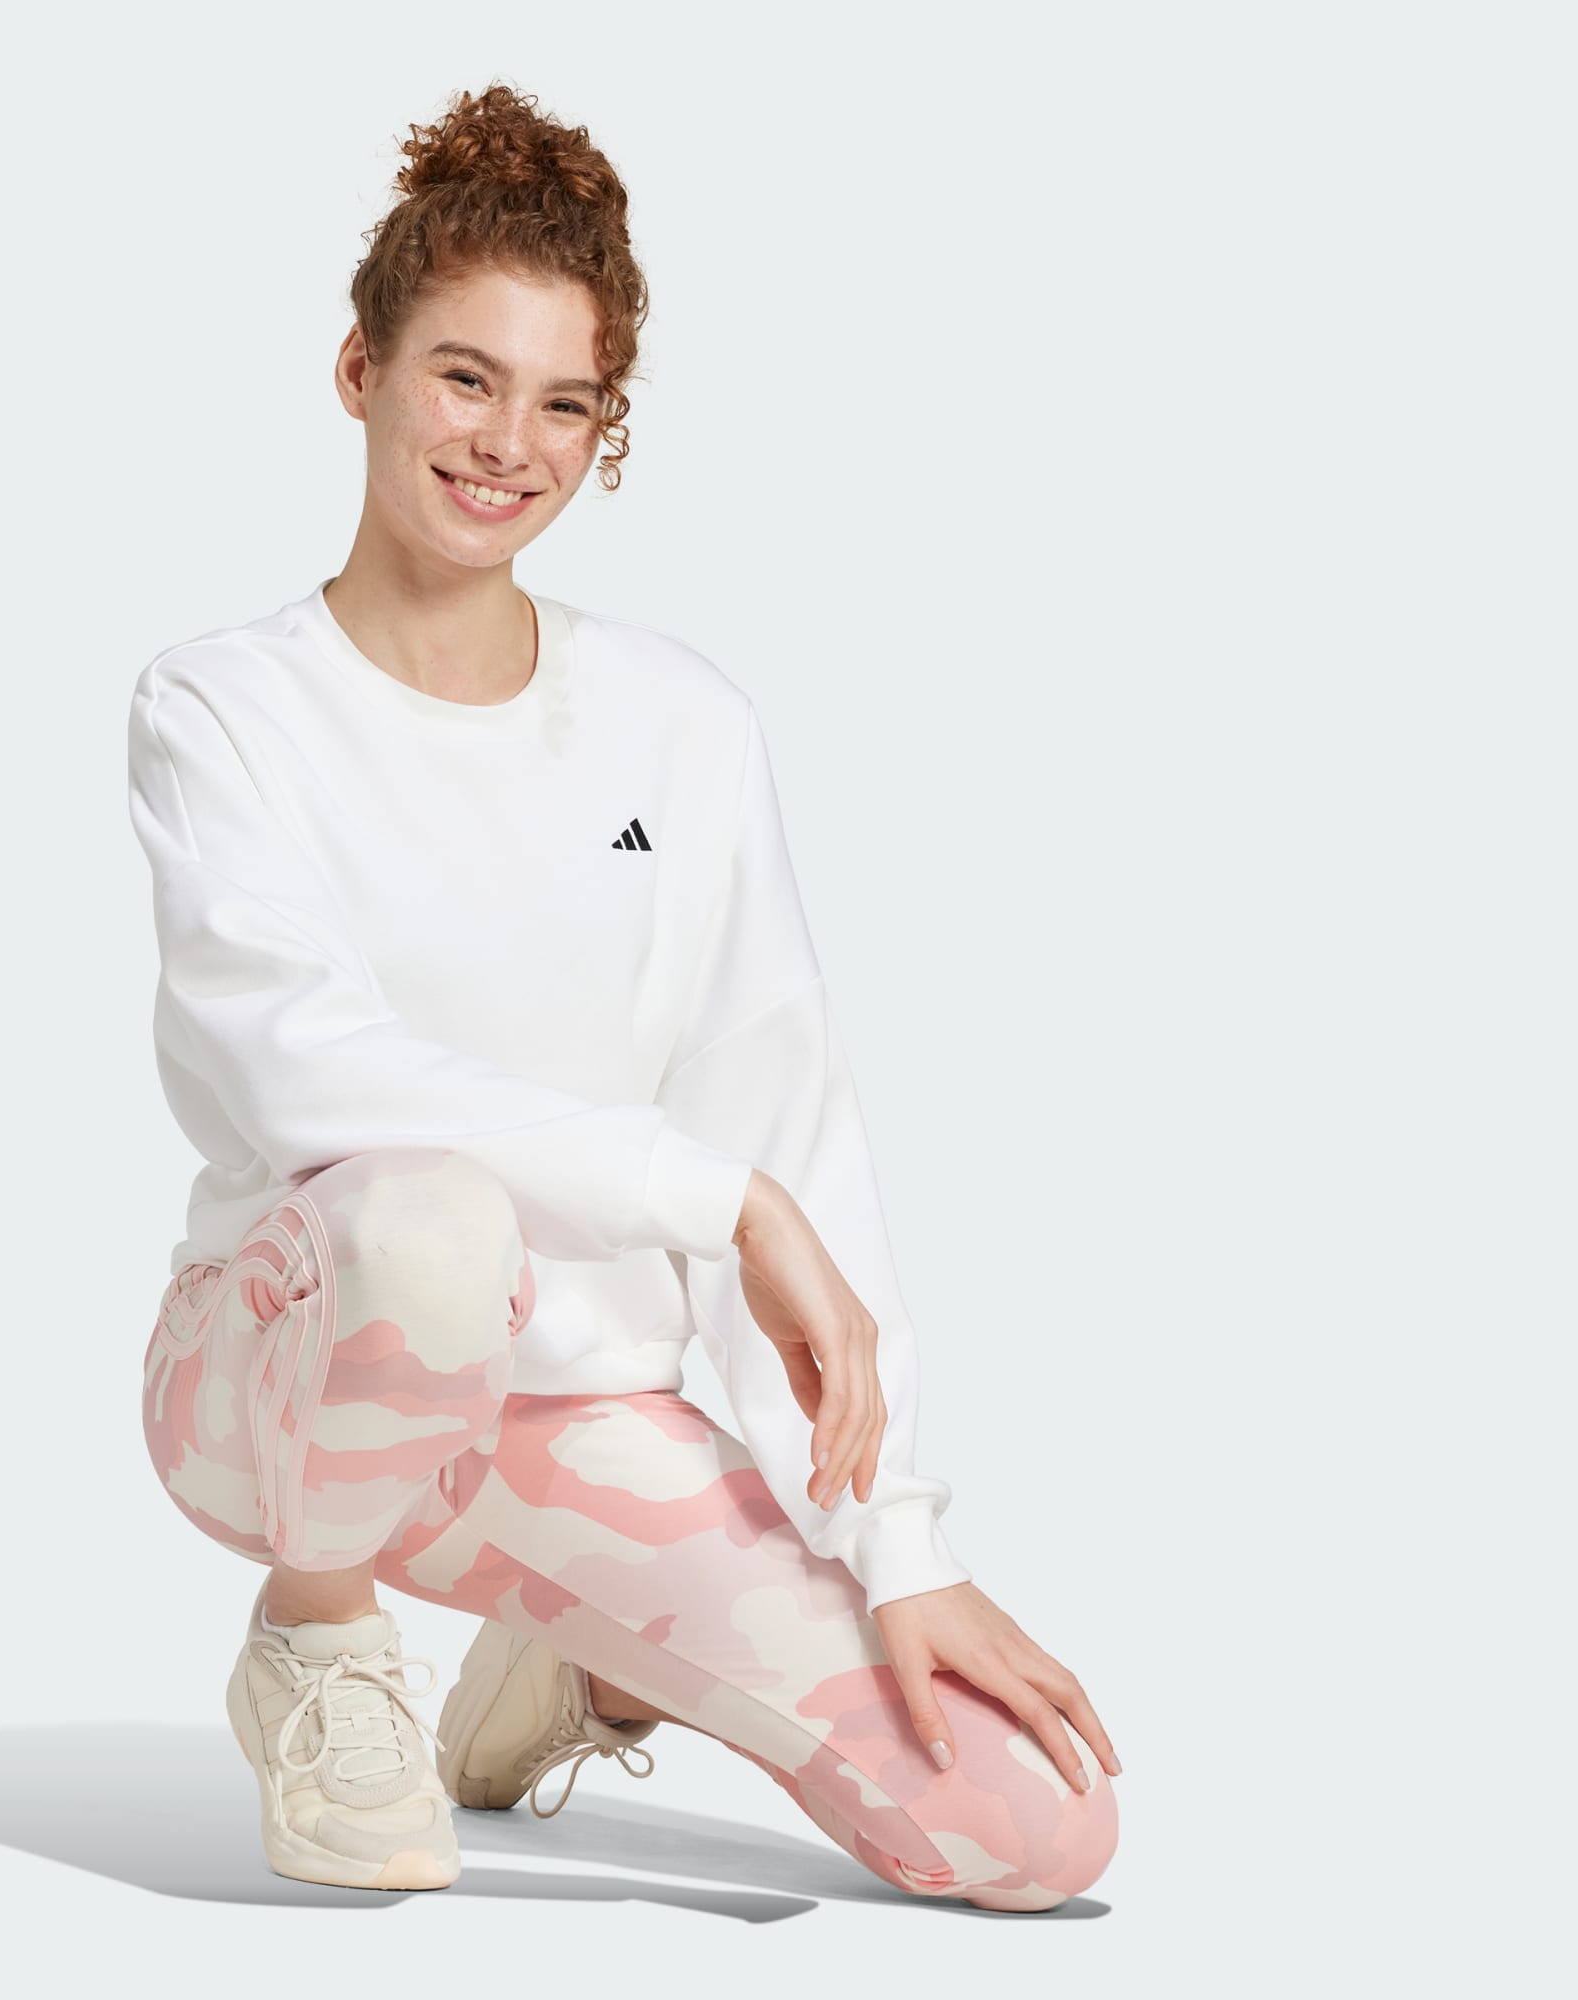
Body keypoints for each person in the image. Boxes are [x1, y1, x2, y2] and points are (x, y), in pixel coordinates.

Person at [127, 81, 1121, 1907]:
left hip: (576, 1421)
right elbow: (304, 1073)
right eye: (464, 377)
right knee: (426, 1217)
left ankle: (564, 1655)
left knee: (1032, 1831)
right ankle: (320, 1649)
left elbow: (781, 1104)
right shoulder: (224, 708)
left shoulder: (681, 723)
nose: (509, 443)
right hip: (283, 1385)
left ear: (607, 427)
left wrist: (899, 1544)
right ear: (359, 370)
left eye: (567, 402)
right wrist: (713, 1202)